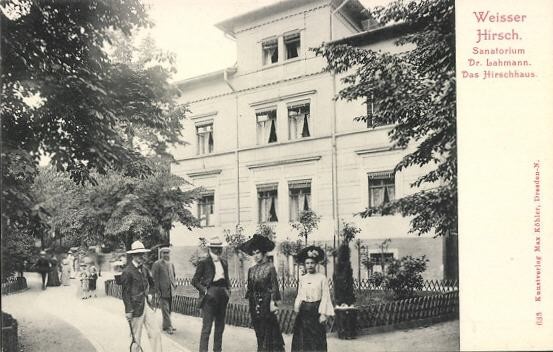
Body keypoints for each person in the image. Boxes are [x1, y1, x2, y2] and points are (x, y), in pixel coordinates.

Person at [239, 234, 285, 352]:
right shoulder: (251, 270)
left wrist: (274, 303)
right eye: (254, 253)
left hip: (266, 302)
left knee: (268, 331)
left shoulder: (270, 267)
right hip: (254, 304)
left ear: (263, 253)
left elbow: (274, 287)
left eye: (258, 252)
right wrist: (251, 303)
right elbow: (250, 289)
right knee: (258, 331)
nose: (256, 255)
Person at [291, 246, 335, 352]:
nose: (309, 265)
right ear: (305, 265)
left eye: (312, 263)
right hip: (304, 311)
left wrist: (323, 314)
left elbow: (325, 297)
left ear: (316, 264)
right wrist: (296, 306)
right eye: (307, 263)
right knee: (303, 339)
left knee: (316, 339)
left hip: (316, 310)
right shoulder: (303, 278)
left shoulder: (322, 278)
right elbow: (300, 294)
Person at [121, 240, 162, 352]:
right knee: (136, 338)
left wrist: (150, 294)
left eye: (141, 253)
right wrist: (128, 310)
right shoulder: (127, 271)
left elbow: (152, 283)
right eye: (137, 254)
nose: (140, 256)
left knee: (155, 332)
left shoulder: (144, 269)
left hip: (147, 305)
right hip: (135, 308)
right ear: (133, 255)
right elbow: (125, 293)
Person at [192, 237, 231, 352]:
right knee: (207, 328)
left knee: (220, 327)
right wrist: (205, 291)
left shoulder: (224, 262)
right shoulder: (204, 262)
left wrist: (228, 290)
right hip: (210, 295)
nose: (218, 250)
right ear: (210, 248)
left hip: (222, 294)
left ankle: (217, 350)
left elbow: (227, 278)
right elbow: (194, 281)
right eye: (215, 248)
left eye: (219, 248)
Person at [152, 247, 177, 334]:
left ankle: (165, 325)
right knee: (165, 310)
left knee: (169, 309)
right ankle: (169, 326)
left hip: (170, 290)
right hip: (162, 291)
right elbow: (155, 279)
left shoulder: (171, 264)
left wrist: (174, 284)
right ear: (161, 254)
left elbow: (173, 275)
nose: (166, 254)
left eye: (167, 252)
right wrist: (157, 291)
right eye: (164, 253)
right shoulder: (157, 264)